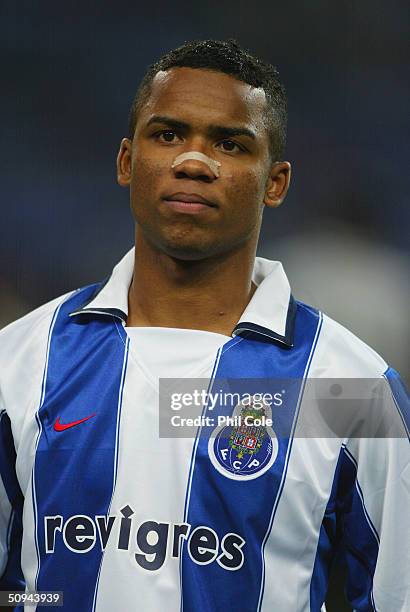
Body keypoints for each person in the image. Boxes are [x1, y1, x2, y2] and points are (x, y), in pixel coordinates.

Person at [0, 39, 408, 612]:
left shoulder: (352, 391)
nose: (194, 162)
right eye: (167, 135)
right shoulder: (19, 363)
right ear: (126, 162)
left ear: (276, 182)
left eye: (230, 143)